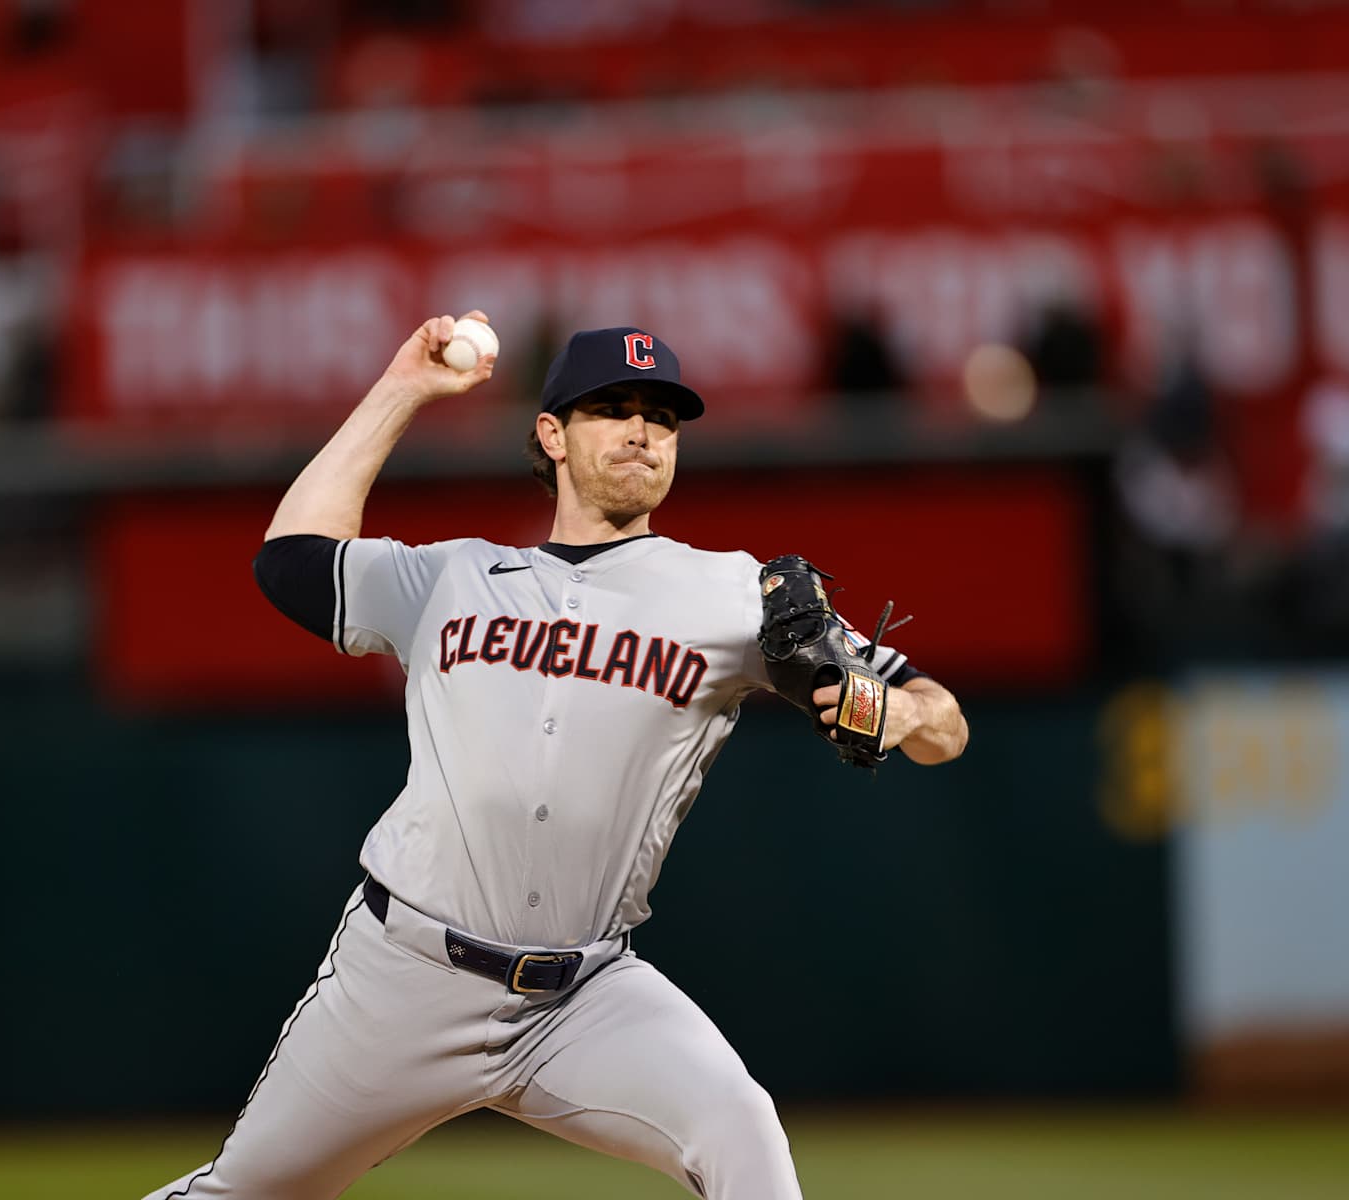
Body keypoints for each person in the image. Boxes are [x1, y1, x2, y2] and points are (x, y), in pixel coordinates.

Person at [147, 314, 968, 1199]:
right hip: (404, 977)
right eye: (612, 409)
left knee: (741, 1127)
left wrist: (892, 713)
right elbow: (290, 560)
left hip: (584, 996)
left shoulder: (734, 592)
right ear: (552, 435)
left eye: (662, 416)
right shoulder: (453, 578)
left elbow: (944, 722)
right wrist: (403, 388)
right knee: (242, 1193)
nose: (642, 430)